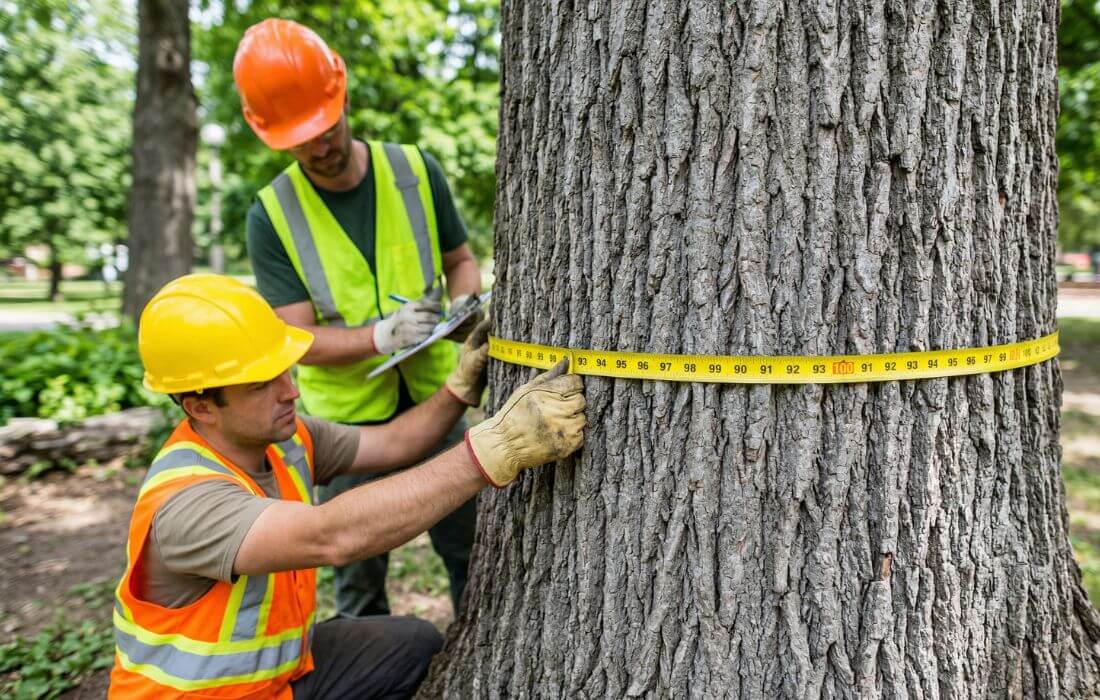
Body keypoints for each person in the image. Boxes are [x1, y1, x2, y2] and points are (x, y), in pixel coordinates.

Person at [108, 274, 585, 699]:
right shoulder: (188, 503)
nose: (289, 390)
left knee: (412, 645)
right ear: (200, 407)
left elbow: (394, 442)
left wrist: (459, 388)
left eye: (285, 370)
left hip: (279, 680)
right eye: (260, 385)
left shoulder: (284, 439)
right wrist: (496, 448)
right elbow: (330, 535)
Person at [234, 17, 484, 619]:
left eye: (326, 126)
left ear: (340, 95)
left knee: (472, 556)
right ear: (267, 133)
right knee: (358, 582)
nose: (320, 145)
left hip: (436, 398)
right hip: (345, 430)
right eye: (300, 139)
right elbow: (292, 337)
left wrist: (461, 308)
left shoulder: (415, 170)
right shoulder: (272, 214)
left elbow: (462, 260)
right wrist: (378, 337)